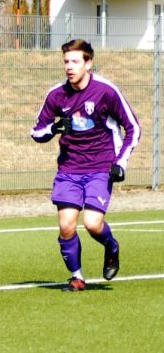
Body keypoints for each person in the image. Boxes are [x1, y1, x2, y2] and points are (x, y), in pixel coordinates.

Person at [31, 39, 141, 292]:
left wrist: (121, 162)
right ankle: (77, 277)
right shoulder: (56, 94)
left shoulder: (106, 91)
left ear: (88, 63)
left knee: (92, 224)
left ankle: (111, 247)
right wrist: (54, 128)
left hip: (100, 167)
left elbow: (133, 127)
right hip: (68, 169)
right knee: (66, 225)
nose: (69, 67)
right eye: (66, 62)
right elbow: (36, 132)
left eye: (75, 62)